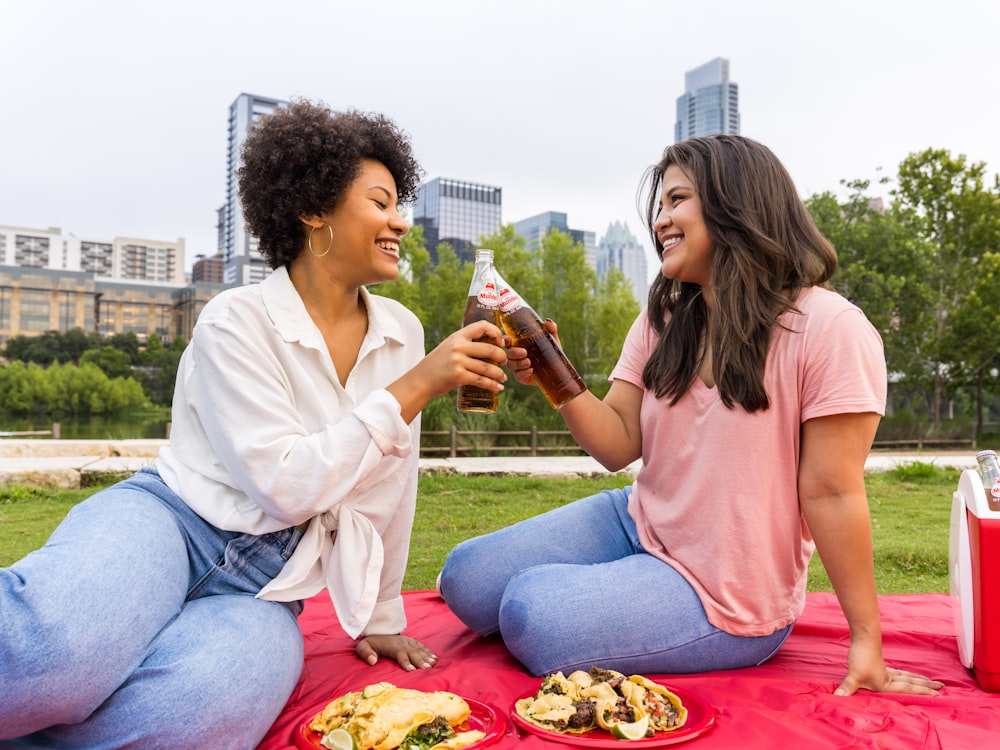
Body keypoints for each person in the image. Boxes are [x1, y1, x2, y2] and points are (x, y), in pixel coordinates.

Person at [0, 100, 508, 749]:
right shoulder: (234, 321)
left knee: (208, 711)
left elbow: (386, 485)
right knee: (52, 661)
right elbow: (285, 485)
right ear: (312, 209)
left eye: (397, 204)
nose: (400, 222)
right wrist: (416, 387)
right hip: (172, 524)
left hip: (271, 585)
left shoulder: (402, 334)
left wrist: (380, 615)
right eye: (380, 203)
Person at [438, 135, 944, 698]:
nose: (661, 221)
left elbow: (831, 492)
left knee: (532, 611)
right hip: (639, 520)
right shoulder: (664, 318)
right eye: (659, 207)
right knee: (466, 576)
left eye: (677, 200)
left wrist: (866, 641)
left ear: (737, 203)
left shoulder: (830, 329)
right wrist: (552, 375)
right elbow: (616, 445)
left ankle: (627, 611)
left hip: (724, 591)